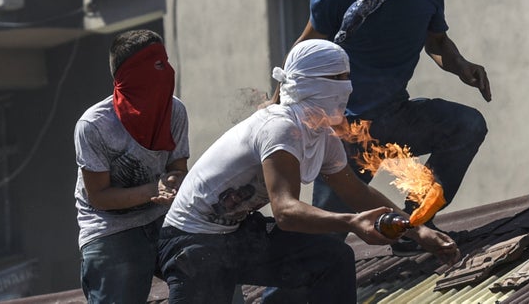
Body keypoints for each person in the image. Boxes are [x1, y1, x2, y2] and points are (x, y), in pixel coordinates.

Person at [157, 39, 460, 304]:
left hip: (237, 235)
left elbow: (356, 192)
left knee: (332, 259)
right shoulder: (281, 127)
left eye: (347, 77)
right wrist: (352, 223)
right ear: (309, 82)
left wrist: (417, 230)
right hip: (189, 242)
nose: (347, 87)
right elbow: (285, 212)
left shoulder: (322, 135)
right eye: (337, 78)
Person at [281, 0, 491, 253]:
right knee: (316, 249)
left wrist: (463, 67)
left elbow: (437, 44)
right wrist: (278, 111)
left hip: (395, 116)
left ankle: (414, 227)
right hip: (345, 135)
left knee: (467, 125)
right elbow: (301, 57)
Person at [74, 29, 189, 303]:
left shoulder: (174, 111)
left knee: (212, 268)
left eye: (166, 62)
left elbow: (178, 169)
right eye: (157, 65)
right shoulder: (94, 125)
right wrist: (155, 188)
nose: (167, 71)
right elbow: (99, 197)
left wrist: (176, 182)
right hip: (110, 227)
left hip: (161, 217)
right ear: (130, 76)